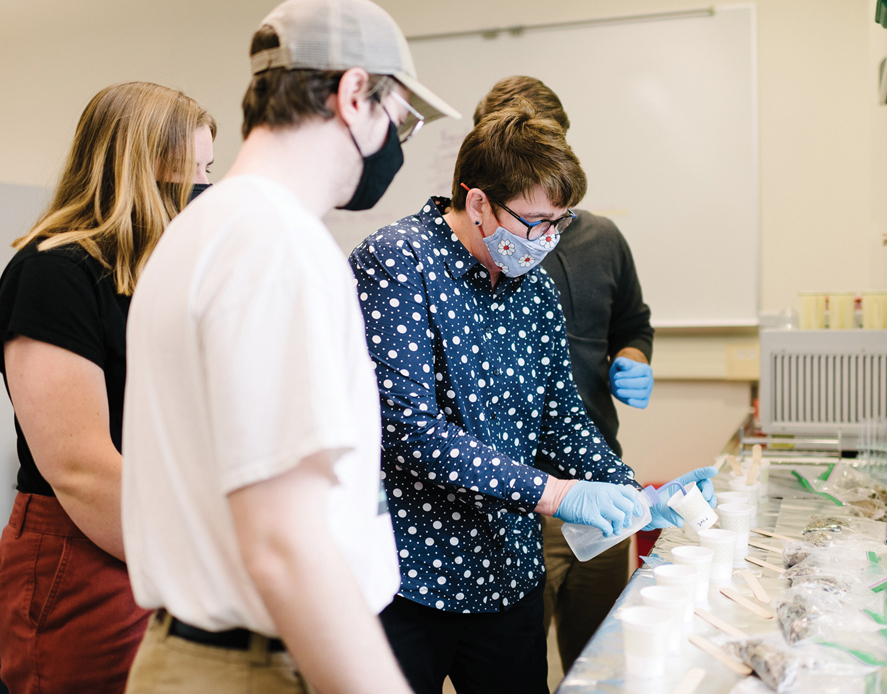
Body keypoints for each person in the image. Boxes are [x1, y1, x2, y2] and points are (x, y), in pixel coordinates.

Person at [119, 1, 458, 693]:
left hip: (205, 655)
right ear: (354, 93)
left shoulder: (202, 229)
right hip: (256, 666)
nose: (399, 140)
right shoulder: (279, 247)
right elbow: (285, 545)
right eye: (399, 117)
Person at [349, 99, 716, 694]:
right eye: (536, 222)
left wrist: (632, 491)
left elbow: (559, 417)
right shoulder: (398, 262)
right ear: (477, 202)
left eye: (560, 223)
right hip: (410, 575)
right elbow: (408, 430)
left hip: (508, 574)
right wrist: (553, 491)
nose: (548, 240)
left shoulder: (534, 288)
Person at [0, 81, 215, 694]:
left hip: (156, 533)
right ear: (142, 169)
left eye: (209, 169)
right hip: (86, 546)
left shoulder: (159, 272)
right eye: (191, 172)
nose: (204, 188)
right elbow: (79, 468)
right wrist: (195, 559)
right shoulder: (55, 272)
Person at [473, 75, 659, 672]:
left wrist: (632, 359)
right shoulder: (472, 249)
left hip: (594, 475)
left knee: (598, 659)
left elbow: (633, 323)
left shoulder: (602, 239)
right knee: (510, 662)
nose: (538, 239)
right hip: (504, 493)